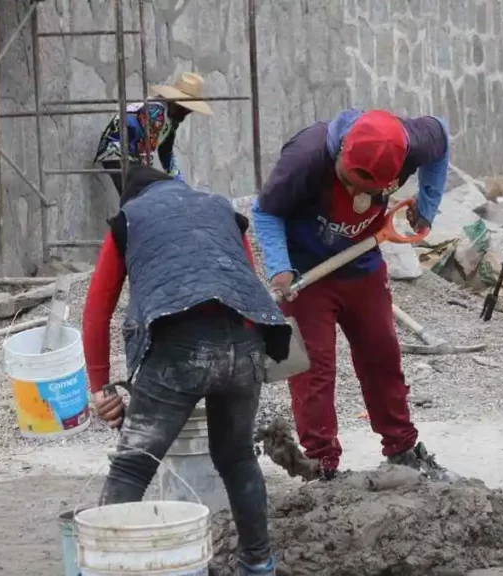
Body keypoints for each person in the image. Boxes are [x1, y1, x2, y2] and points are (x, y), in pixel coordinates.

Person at [81, 166, 290, 575]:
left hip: (180, 347)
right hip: (245, 345)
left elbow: (96, 311)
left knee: (133, 462)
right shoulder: (220, 209)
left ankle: (104, 567)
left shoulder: (131, 218)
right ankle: (259, 564)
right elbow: (245, 281)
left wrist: (100, 386)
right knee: (236, 457)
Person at [250, 108, 452, 481]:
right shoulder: (306, 156)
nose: (359, 194)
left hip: (363, 266)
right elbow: (263, 212)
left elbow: (442, 140)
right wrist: (279, 266)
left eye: (370, 189)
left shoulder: (416, 140)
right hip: (306, 274)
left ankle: (402, 450)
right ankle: (321, 468)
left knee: (382, 356)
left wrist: (427, 207)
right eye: (350, 181)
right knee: (314, 371)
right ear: (341, 152)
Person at [92, 72, 213, 195]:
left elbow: (166, 152)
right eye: (184, 107)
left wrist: (179, 183)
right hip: (117, 150)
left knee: (142, 194)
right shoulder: (156, 113)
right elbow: (145, 152)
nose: (187, 112)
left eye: (189, 109)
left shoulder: (172, 118)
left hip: (134, 155)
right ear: (174, 102)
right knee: (138, 196)